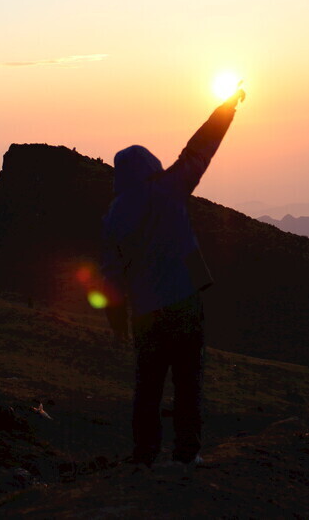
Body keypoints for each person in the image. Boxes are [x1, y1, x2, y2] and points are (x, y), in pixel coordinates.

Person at [101, 87, 245, 468]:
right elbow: (199, 150)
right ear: (151, 166)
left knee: (147, 387)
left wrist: (116, 317)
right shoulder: (170, 188)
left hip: (145, 315)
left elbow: (110, 272)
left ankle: (145, 453)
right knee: (187, 383)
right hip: (184, 303)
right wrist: (226, 109)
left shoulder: (114, 215)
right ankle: (187, 453)